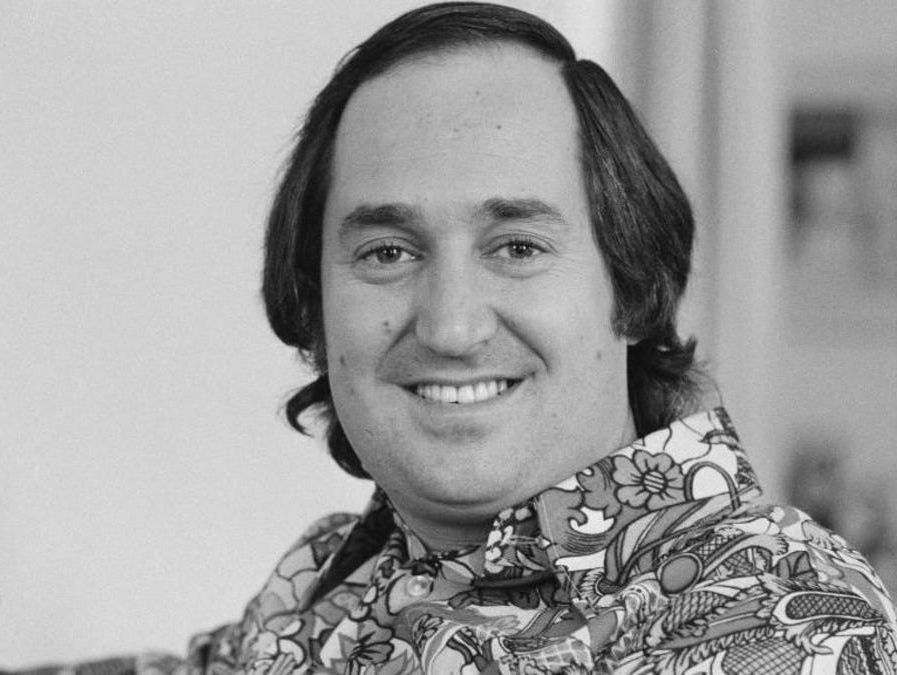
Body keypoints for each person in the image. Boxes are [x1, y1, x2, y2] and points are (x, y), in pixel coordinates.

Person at [106, 3, 897, 673]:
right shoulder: (327, 582)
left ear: (631, 284)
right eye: (388, 253)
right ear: (314, 307)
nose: (451, 326)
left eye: (516, 247)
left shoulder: (783, 623)